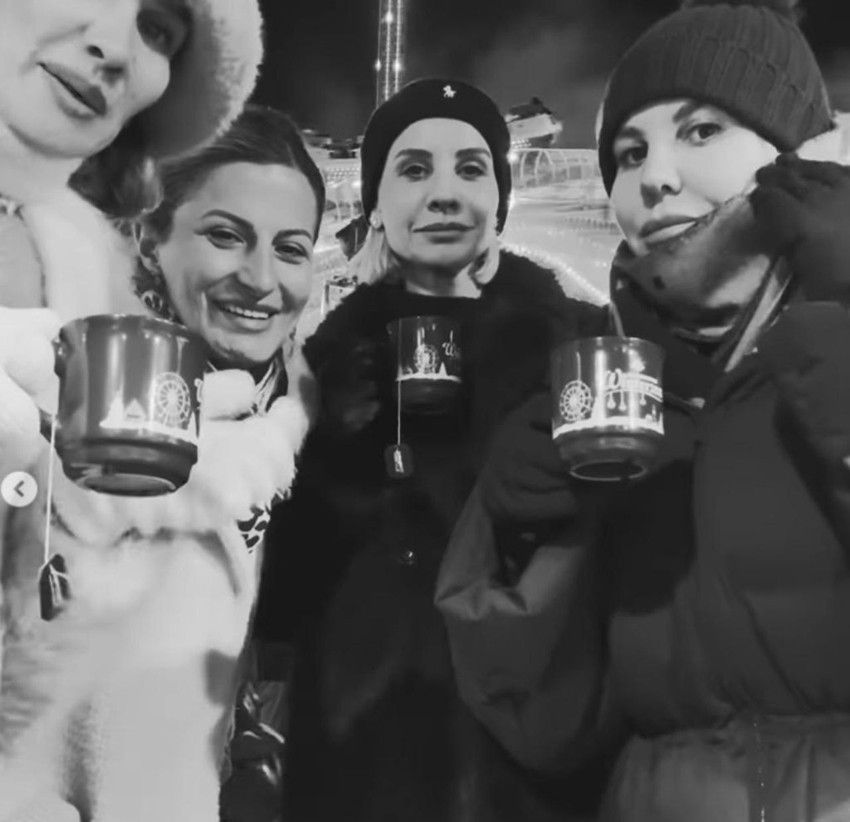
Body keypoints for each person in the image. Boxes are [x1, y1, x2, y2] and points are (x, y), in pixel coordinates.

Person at [435, 1, 850, 820]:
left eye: (701, 131)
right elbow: (544, 725)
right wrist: (519, 539)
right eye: (629, 153)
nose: (653, 177)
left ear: (798, 156)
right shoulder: (610, 381)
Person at [253, 78, 607, 822]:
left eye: (470, 169)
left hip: (536, 752)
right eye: (413, 169)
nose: (444, 193)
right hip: (364, 759)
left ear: (500, 198)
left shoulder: (582, 345)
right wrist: (326, 456)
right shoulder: (322, 362)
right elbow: (278, 603)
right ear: (376, 202)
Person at [0, 4, 309, 821]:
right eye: (225, 234)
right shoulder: (105, 378)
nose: (262, 277)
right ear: (148, 240)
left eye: (292, 246)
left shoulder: (305, 402)